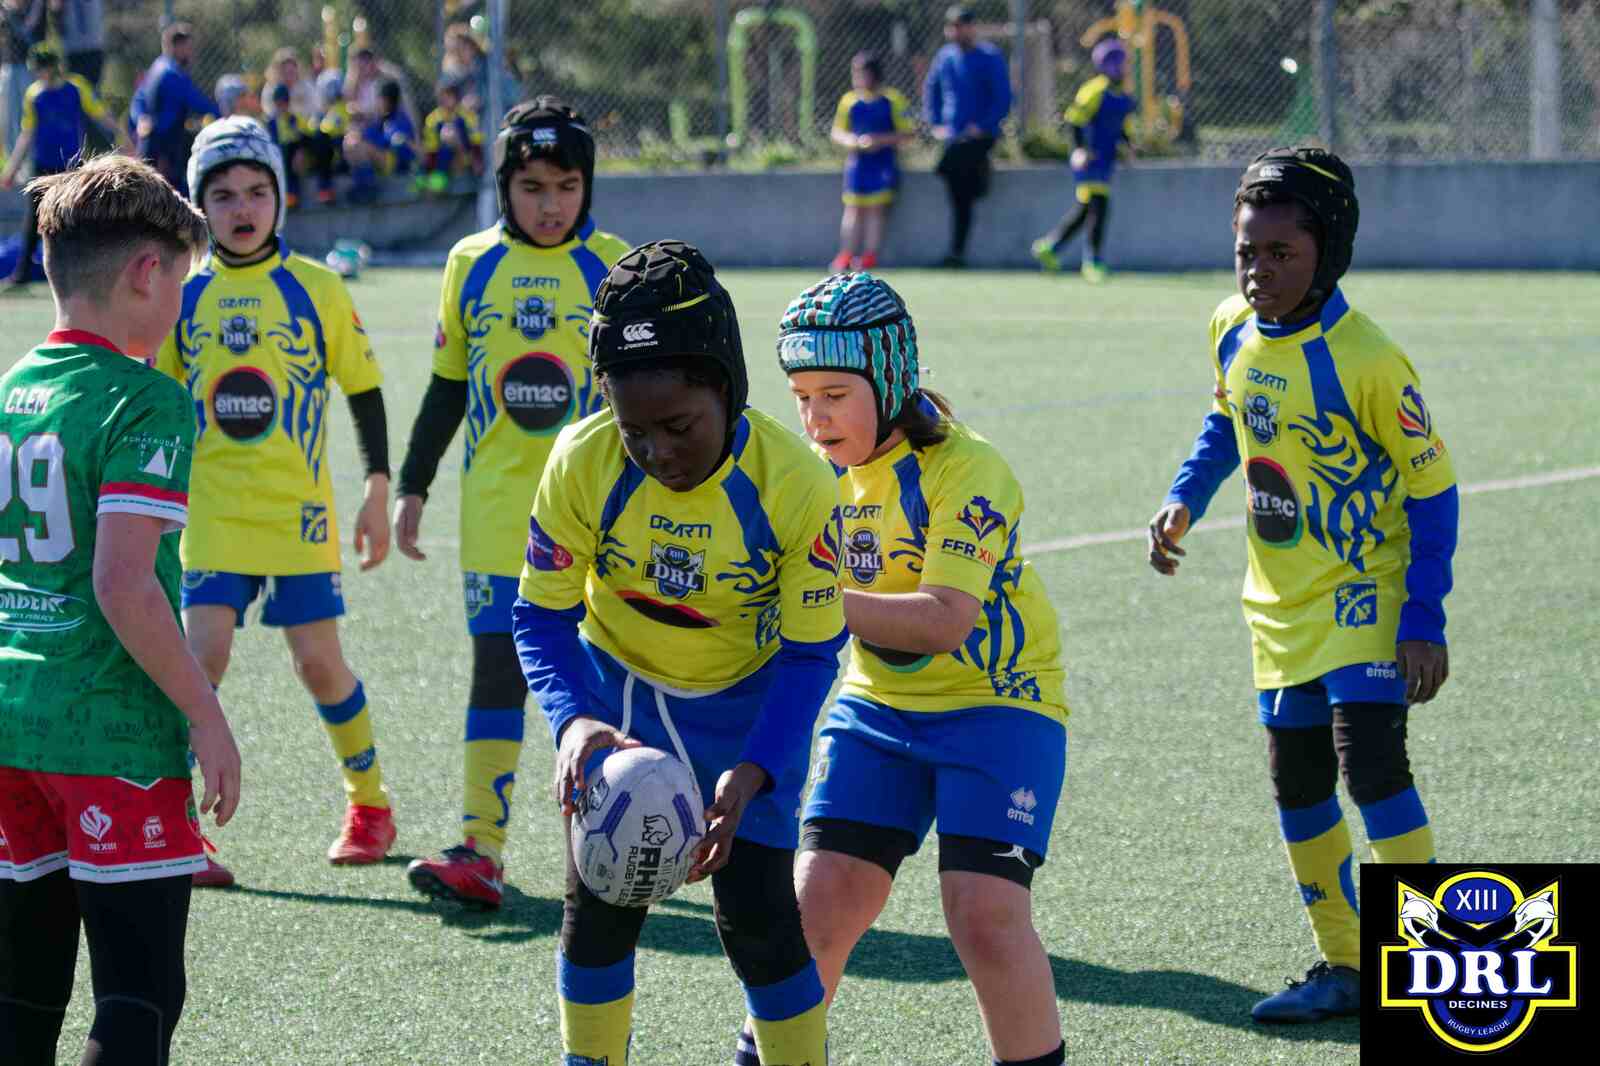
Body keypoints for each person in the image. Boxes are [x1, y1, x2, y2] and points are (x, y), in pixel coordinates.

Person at [513, 238, 846, 1066]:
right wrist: (573, 721)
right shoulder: (582, 461)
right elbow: (540, 617)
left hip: (747, 711)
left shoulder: (796, 483)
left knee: (759, 921)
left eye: (678, 426)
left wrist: (757, 766)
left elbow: (812, 654)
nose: (657, 452)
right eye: (634, 430)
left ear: (727, 391)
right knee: (599, 910)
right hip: (620, 706)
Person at [1147, 147, 1459, 1023]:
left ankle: (1436, 963)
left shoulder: (1370, 359)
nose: (1259, 271)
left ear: (1329, 252)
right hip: (1278, 605)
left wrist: (1423, 616)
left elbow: (1434, 490)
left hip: (1366, 592)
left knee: (1374, 769)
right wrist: (1184, 497)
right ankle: (1347, 964)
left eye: (1281, 253)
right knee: (1299, 782)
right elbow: (1227, 417)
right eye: (1246, 251)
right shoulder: (1229, 328)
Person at [736, 271, 1071, 1066]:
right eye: (801, 396)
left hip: (999, 704)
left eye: (835, 395)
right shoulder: (808, 474)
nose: (815, 418)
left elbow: (943, 620)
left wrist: (804, 595)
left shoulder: (966, 467)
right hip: (877, 709)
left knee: (983, 916)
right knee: (815, 909)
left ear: (889, 383)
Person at [0, 152, 241, 1066]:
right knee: (138, 997)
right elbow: (124, 584)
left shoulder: (12, 390)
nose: (180, 300)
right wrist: (205, 714)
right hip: (115, 738)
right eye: (180, 280)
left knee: (22, 994)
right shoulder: (146, 401)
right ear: (146, 272)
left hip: (12, 728)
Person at [396, 98, 629, 909]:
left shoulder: (615, 266)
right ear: (504, 187)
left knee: (605, 687)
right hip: (499, 518)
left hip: (600, 520)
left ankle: (617, 847)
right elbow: (446, 388)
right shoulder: (470, 263)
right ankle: (480, 849)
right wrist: (412, 486)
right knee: (497, 674)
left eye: (567, 185)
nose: (550, 204)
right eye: (532, 187)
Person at [154, 117, 397, 885]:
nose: (242, 208)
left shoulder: (316, 287)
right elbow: (157, 400)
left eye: (257, 191)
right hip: (211, 515)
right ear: (199, 207)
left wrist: (377, 489)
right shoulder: (181, 294)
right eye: (223, 195)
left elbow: (364, 388)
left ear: (280, 198)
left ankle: (370, 805)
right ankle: (176, 823)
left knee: (319, 665)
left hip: (297, 513)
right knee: (201, 659)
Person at [0, 44, 125, 294]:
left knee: (74, 218)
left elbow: (100, 114)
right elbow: (27, 133)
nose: (39, 73)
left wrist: (124, 137)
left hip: (70, 166)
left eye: (42, 68)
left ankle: (84, 271)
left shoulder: (75, 88)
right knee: (34, 219)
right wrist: (12, 169)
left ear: (53, 67)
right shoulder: (34, 94)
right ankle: (22, 272)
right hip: (43, 165)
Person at [1032, 38, 1137, 283]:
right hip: (1090, 160)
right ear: (1110, 65)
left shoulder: (1123, 96)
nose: (1125, 68)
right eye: (1122, 63)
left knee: (1087, 209)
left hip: (1106, 161)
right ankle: (1093, 262)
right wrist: (1079, 149)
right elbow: (1075, 120)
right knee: (1099, 207)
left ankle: (1050, 247)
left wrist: (1128, 145)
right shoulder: (1094, 90)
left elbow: (1121, 126)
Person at [923, 4, 1010, 269]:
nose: (958, 32)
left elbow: (1003, 97)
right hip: (953, 136)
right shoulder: (945, 57)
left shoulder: (989, 56)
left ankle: (979, 179)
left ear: (973, 28)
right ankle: (957, 252)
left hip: (980, 136)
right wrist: (936, 124)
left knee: (947, 168)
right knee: (961, 196)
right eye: (953, 27)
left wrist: (983, 125)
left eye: (963, 26)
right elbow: (932, 89)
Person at [827, 51, 912, 273]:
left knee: (875, 210)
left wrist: (879, 141)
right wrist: (853, 141)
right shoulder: (849, 101)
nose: (856, 78)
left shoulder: (892, 100)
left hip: (883, 163)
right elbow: (837, 132)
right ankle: (845, 254)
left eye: (861, 73)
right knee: (853, 208)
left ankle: (869, 256)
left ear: (874, 74)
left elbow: (907, 134)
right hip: (857, 164)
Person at [131, 21, 217, 189]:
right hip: (164, 147)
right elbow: (197, 102)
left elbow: (138, 99)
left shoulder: (156, 67)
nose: (192, 53)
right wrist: (223, 114)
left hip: (150, 143)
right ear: (177, 47)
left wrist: (140, 118)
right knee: (168, 191)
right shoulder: (172, 74)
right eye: (188, 47)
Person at [343, 77, 415, 204]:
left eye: (379, 98)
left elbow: (404, 148)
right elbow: (367, 137)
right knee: (350, 142)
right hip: (381, 159)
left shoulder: (399, 118)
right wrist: (355, 133)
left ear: (388, 100)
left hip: (395, 162)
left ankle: (369, 187)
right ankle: (360, 185)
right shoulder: (379, 119)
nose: (377, 101)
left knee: (361, 147)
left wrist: (394, 138)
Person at [418, 75, 482, 194]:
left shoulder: (467, 116)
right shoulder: (433, 119)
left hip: (465, 156)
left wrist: (475, 160)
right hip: (444, 157)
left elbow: (476, 142)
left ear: (456, 96)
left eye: (448, 95)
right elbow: (431, 149)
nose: (444, 99)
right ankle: (437, 177)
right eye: (442, 95)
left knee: (458, 124)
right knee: (443, 144)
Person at [1, 0, 45, 154]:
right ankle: (13, 160)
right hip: (9, 65)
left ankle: (31, 158)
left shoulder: (36, 4)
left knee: (28, 116)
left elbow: (29, 27)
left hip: (32, 66)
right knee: (10, 116)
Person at [263, 81, 308, 209]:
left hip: (291, 150)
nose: (282, 106)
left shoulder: (293, 119)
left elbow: (300, 137)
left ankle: (292, 197)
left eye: (284, 102)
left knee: (290, 157)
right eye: (279, 102)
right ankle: (282, 197)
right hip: (277, 151)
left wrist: (300, 152)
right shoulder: (270, 121)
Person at [48, 0, 102, 89]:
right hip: (74, 48)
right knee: (76, 87)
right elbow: (55, 10)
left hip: (92, 45)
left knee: (91, 87)